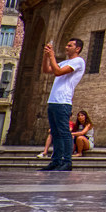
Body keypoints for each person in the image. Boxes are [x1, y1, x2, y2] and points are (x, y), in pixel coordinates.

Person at [41, 38, 86, 171]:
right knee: (55, 132)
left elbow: (58, 72)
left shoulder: (78, 61)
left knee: (64, 132)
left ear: (77, 49)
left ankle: (67, 161)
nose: (66, 47)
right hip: (53, 101)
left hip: (63, 101)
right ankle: (55, 161)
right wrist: (46, 56)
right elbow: (47, 69)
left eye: (69, 45)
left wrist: (52, 56)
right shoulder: (65, 62)